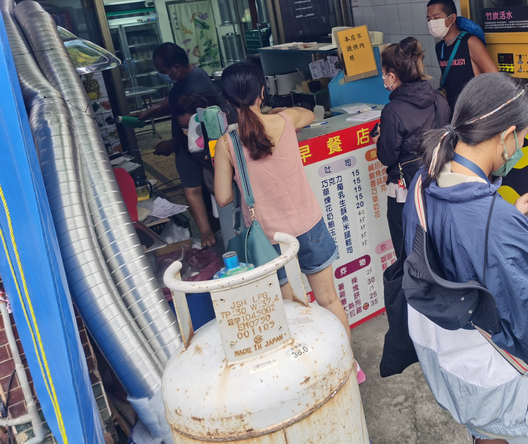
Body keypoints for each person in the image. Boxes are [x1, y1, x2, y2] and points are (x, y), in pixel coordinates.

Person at [404, 72, 528, 444]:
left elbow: (469, 253)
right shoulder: (494, 221)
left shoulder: (424, 179)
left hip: (452, 367)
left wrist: (514, 223)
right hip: (501, 383)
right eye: (522, 137)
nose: (521, 146)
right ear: (507, 135)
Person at [213, 62, 365, 383]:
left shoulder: (227, 143)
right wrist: (276, 109)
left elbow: (223, 197)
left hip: (269, 242)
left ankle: (309, 375)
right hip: (309, 225)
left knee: (293, 312)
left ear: (227, 102)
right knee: (328, 300)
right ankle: (347, 367)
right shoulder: (285, 120)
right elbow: (310, 114)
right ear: (262, 92)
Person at [137, 42, 225, 248]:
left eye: (163, 71)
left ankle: (215, 231)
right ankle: (210, 232)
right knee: (197, 190)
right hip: (188, 149)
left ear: (175, 67)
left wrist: (172, 143)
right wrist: (151, 112)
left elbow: (193, 134)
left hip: (203, 151)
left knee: (209, 191)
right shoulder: (186, 79)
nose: (163, 74)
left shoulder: (198, 87)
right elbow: (172, 101)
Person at [374, 37, 449, 259]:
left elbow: (387, 156)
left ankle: (416, 293)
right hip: (439, 185)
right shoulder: (438, 99)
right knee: (438, 251)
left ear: (393, 76)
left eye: (384, 72)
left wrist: (379, 139)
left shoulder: (393, 110)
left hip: (406, 192)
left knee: (409, 255)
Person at [426, 0, 498, 112]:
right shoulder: (440, 47)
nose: (431, 23)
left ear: (452, 18)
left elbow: (495, 77)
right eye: (429, 19)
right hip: (454, 111)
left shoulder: (470, 42)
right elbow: (448, 72)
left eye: (436, 18)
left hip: (475, 110)